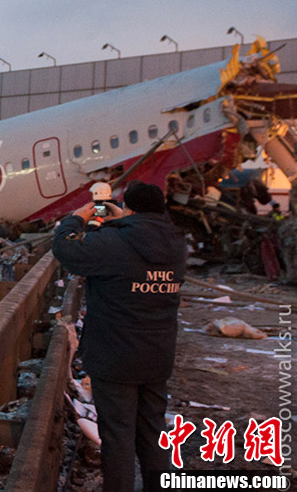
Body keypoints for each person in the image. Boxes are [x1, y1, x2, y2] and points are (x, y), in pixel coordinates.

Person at [52, 181, 187, 492]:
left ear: (130, 208)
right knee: (153, 432)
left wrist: (76, 218)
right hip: (158, 354)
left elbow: (66, 250)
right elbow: (139, 250)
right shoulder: (176, 244)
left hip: (115, 355)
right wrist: (122, 222)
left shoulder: (113, 242)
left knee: (117, 435)